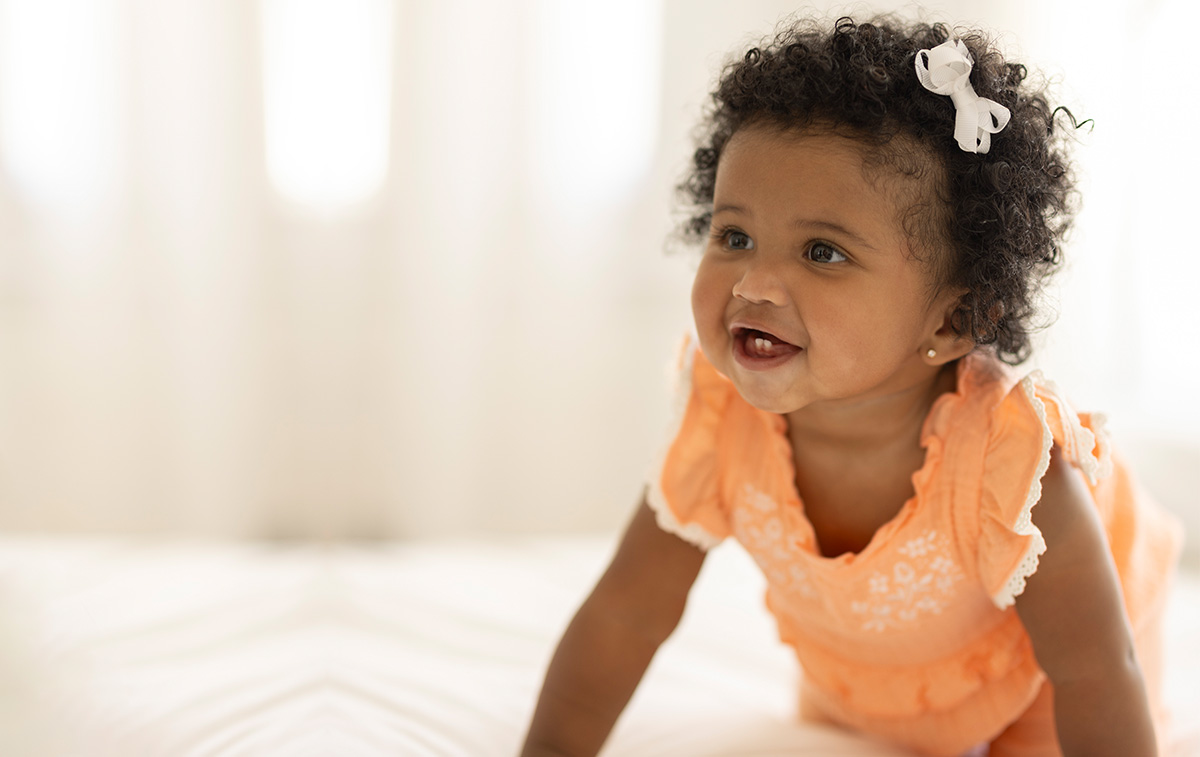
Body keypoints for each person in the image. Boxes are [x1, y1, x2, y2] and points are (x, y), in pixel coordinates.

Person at [520, 15, 1183, 757]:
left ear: (956, 317)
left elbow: (1095, 668)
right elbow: (626, 614)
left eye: (823, 251)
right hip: (871, 670)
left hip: (1047, 671)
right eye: (734, 235)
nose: (756, 282)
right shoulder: (722, 418)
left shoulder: (1014, 466)